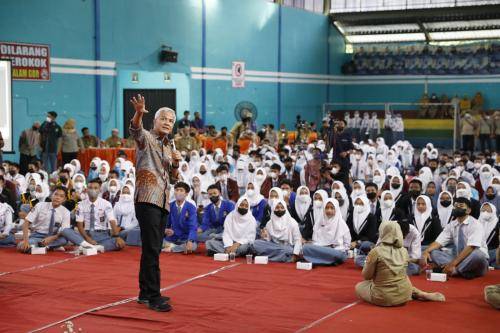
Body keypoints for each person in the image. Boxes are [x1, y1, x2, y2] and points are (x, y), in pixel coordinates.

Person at [129, 94, 180, 312]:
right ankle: (153, 296)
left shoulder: (170, 147)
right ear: (155, 121)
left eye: (171, 120)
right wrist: (139, 112)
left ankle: (145, 293)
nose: (168, 122)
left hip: (162, 201)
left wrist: (176, 164)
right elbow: (135, 130)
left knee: (154, 249)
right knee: (151, 248)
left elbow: (174, 179)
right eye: (164, 119)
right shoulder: (147, 138)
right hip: (147, 198)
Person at [355, 221, 445, 306]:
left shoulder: (376, 251)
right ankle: (421, 293)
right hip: (404, 295)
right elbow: (411, 259)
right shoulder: (403, 251)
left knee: (359, 286)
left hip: (383, 296)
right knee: (400, 280)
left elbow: (366, 276)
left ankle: (409, 293)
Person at [422, 197, 489, 279]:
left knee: (478, 254)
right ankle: (461, 271)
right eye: (455, 206)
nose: (457, 208)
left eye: (461, 206)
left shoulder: (476, 224)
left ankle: (454, 271)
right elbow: (438, 242)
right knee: (434, 252)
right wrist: (426, 251)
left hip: (476, 262)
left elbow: (471, 247)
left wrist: (452, 264)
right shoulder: (451, 225)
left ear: (468, 210)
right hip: (459, 259)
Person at [63, 179, 126, 251]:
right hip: (86, 234)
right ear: (86, 190)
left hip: (102, 235)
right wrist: (87, 238)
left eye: (95, 188)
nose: (93, 190)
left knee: (121, 243)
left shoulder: (106, 204)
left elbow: (112, 221)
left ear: (100, 190)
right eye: (90, 188)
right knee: (65, 230)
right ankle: (90, 245)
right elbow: (80, 225)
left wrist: (117, 236)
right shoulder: (81, 205)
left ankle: (93, 247)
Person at [17, 186, 72, 253]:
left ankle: (44, 247)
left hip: (53, 237)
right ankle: (50, 246)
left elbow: (64, 230)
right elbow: (26, 223)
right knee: (21, 246)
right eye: (56, 194)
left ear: (64, 199)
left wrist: (52, 238)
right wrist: (26, 241)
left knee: (64, 240)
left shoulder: (66, 212)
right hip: (37, 236)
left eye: (61, 196)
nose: (57, 197)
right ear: (51, 195)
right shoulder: (40, 205)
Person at [302, 198, 350, 266]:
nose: (329, 210)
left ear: (336, 209)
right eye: (327, 208)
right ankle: (328, 261)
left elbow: (347, 245)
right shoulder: (319, 222)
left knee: (339, 255)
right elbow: (315, 240)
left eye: (331, 208)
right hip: (321, 249)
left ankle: (318, 259)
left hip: (336, 251)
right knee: (306, 247)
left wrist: (337, 249)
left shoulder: (342, 224)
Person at [163, 181, 198, 254]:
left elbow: (193, 227)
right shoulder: (170, 205)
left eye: (181, 190)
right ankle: (175, 247)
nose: (178, 192)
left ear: (186, 194)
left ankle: (172, 248)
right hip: (173, 236)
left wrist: (190, 240)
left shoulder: (191, 207)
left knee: (193, 246)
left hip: (185, 238)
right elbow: (167, 224)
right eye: (176, 190)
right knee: (158, 241)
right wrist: (166, 230)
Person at [347, 195, 379, 267]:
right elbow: (348, 231)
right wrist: (350, 242)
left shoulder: (371, 217)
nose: (358, 206)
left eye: (361, 204)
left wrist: (357, 242)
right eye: (356, 204)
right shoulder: (351, 215)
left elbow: (371, 235)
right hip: (352, 244)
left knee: (366, 244)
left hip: (366, 242)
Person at [478, 202, 499, 268]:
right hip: (478, 251)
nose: (485, 213)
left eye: (488, 211)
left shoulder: (497, 224)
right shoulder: (476, 223)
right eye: (483, 211)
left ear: (493, 211)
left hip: (493, 252)